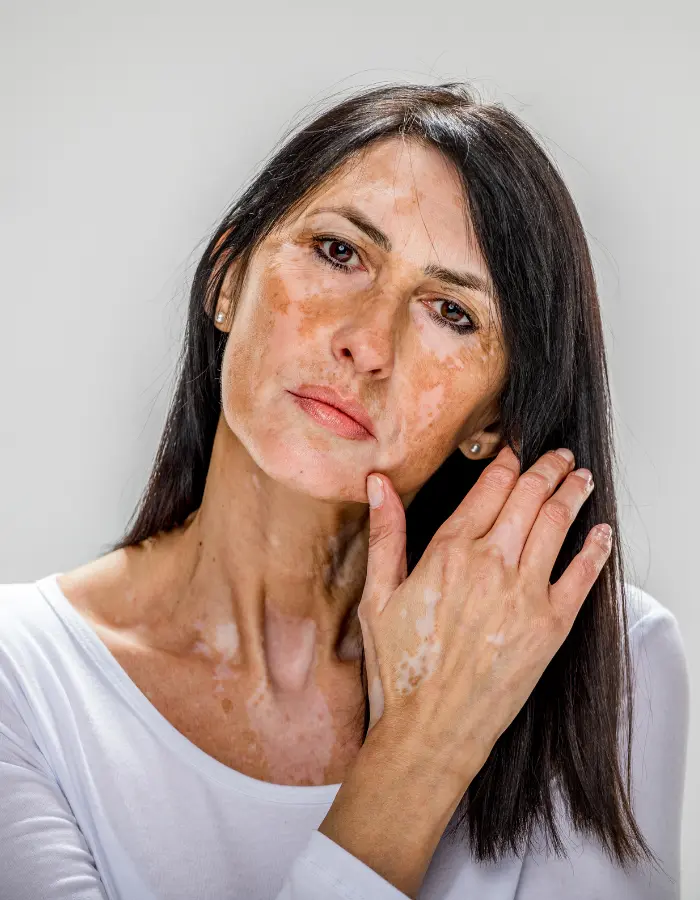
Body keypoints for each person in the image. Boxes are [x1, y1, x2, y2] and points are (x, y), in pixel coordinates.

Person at [0, 82, 689, 900]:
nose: (367, 342)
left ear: (494, 421)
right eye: (339, 252)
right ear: (227, 279)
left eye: (450, 311)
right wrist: (421, 752)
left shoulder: (601, 659)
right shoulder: (20, 678)